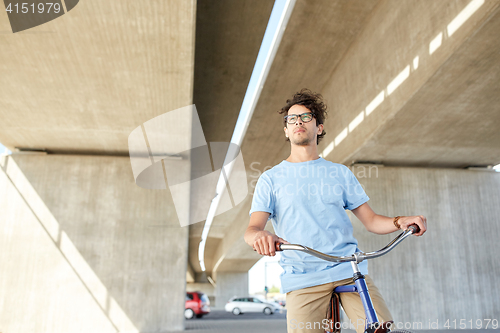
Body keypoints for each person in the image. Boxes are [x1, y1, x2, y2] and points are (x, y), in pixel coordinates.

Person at [244, 89, 427, 333]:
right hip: (303, 277)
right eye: (292, 119)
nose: (298, 121)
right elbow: (252, 229)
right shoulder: (270, 179)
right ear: (286, 130)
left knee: (383, 330)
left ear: (318, 128)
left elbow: (371, 221)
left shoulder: (340, 173)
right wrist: (260, 236)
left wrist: (400, 221)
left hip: (349, 270)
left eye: (306, 117)